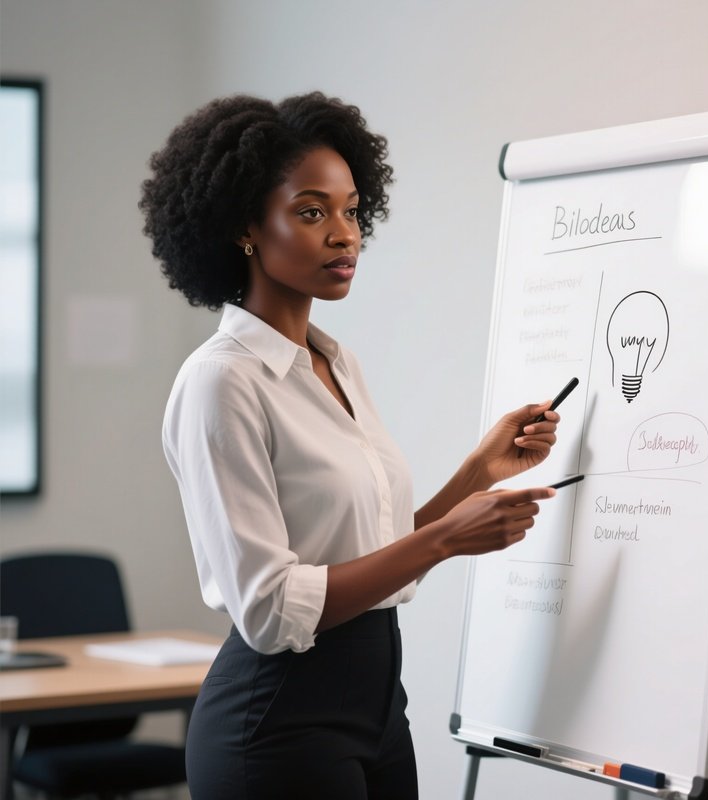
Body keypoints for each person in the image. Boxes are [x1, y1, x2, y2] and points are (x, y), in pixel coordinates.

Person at [140, 92, 560, 800]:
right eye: (311, 212)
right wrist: (446, 541)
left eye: (351, 211)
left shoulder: (335, 362)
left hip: (376, 713)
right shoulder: (221, 383)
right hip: (276, 726)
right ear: (246, 228)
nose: (344, 235)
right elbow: (272, 609)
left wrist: (477, 472)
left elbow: (374, 550)